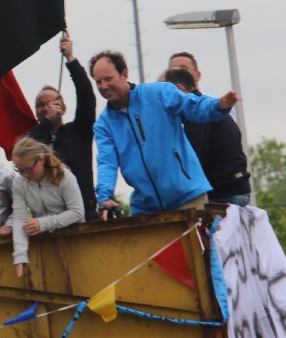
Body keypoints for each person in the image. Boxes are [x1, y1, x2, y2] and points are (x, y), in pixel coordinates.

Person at [90, 50, 241, 218]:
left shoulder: (160, 93)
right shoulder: (103, 125)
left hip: (188, 196)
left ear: (124, 74)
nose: (103, 86)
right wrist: (105, 197)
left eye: (108, 79)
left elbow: (193, 105)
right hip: (146, 208)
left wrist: (219, 104)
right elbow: (106, 162)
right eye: (98, 82)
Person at [27, 33, 97, 221]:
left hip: (84, 214)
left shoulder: (79, 132)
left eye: (52, 103)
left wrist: (70, 59)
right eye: (40, 105)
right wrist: (47, 120)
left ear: (63, 108)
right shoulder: (34, 139)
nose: (46, 108)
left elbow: (87, 97)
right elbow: (26, 150)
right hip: (47, 219)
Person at [164, 68, 252, 206]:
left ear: (179, 89)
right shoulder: (208, 108)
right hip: (237, 188)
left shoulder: (197, 115)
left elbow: (193, 160)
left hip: (224, 193)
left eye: (165, 95)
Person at [9, 137, 84, 277]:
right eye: (19, 170)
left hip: (76, 242)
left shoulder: (65, 177)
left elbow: (77, 212)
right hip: (45, 245)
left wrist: (43, 223)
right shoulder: (18, 183)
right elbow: (19, 218)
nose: (25, 175)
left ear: (41, 160)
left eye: (28, 169)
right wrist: (20, 256)